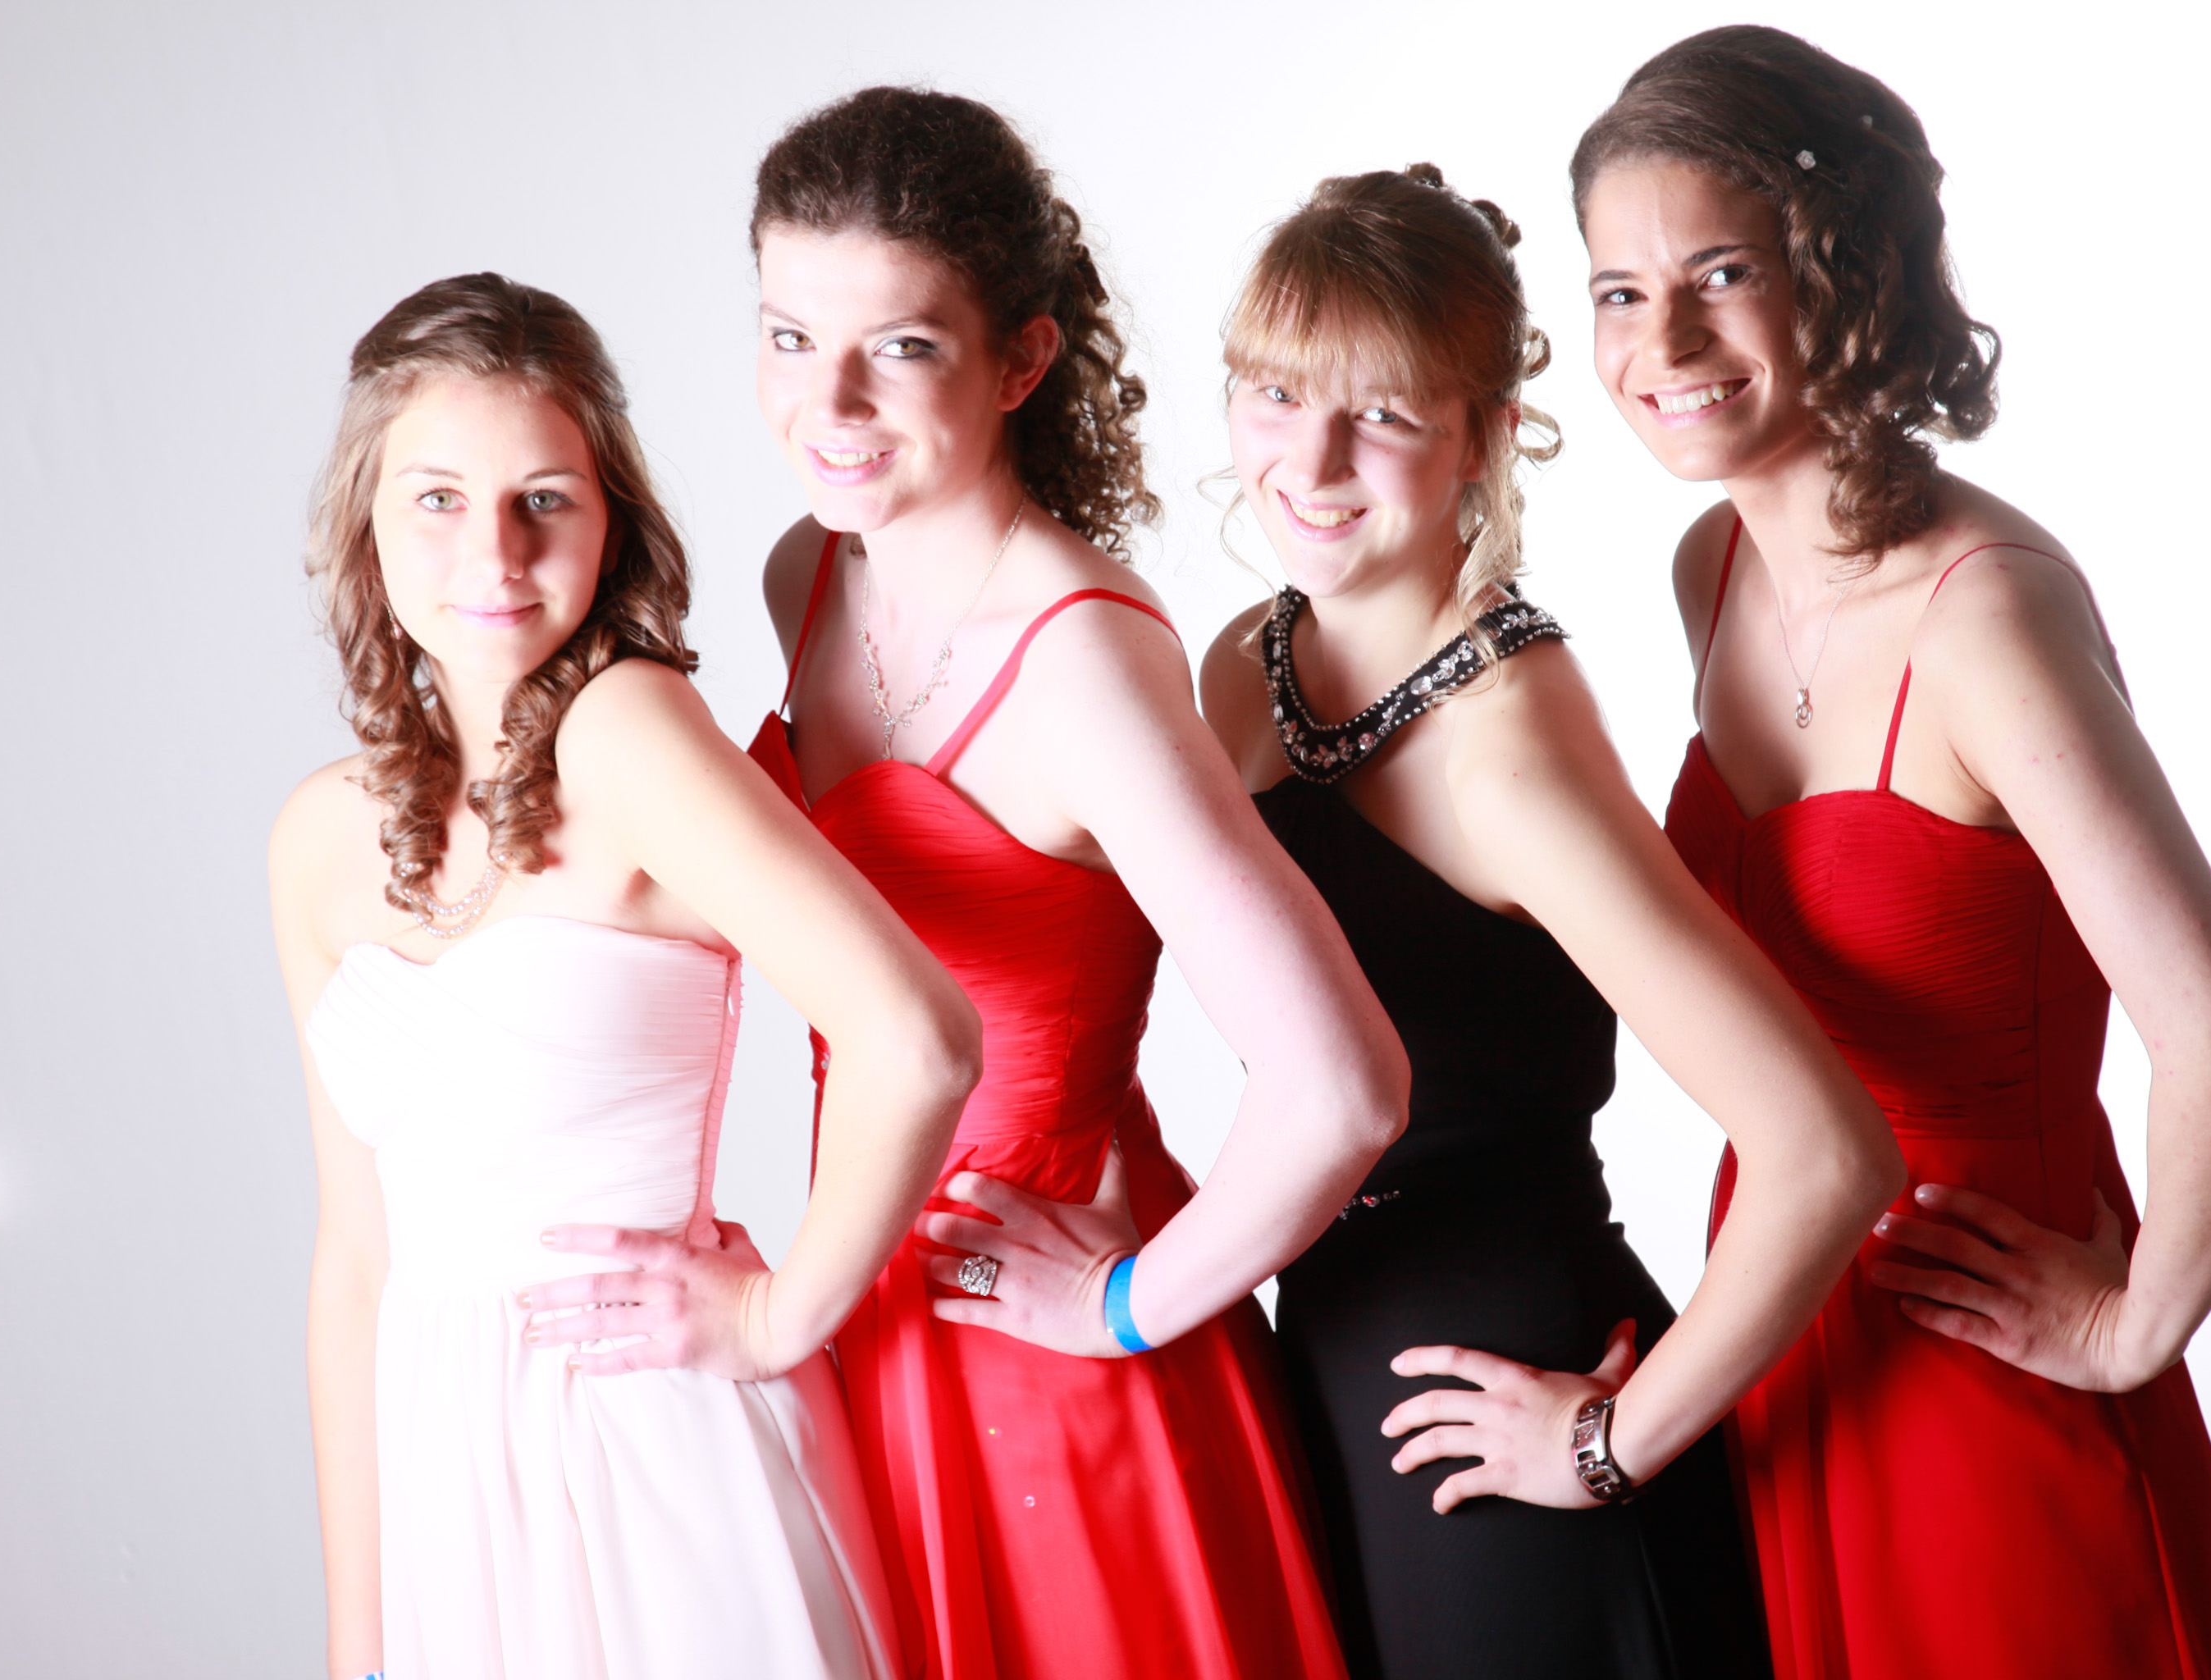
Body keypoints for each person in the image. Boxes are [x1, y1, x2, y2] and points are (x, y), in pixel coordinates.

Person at [545, 89, 1409, 1679]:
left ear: (1022, 360)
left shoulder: (1084, 664)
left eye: (901, 348)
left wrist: (1124, 1307)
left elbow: (1345, 1083)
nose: (829, 403)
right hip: (863, 1303)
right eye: (789, 337)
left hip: (1049, 1367)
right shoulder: (810, 573)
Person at [1563, 26, 2211, 1679]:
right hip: (1787, 1314)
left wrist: (2127, 1330)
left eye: (1721, 273)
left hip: (1981, 1348)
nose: (1662, 342)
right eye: (1619, 290)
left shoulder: (1989, 619)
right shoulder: (1712, 570)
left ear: (1849, 273)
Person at [1193, 163, 1903, 1680]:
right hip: (1329, 1377)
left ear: (1485, 436)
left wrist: (1606, 1448)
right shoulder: (1243, 670)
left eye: (1383, 414)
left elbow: (1829, 1152)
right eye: (1276, 394)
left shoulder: (1508, 757)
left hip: (1509, 1417)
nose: (1311, 461)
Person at [273, 272, 981, 1680]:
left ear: (611, 522)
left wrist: (777, 1317)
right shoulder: (319, 836)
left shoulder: (627, 730)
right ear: (364, 520)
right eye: (436, 499)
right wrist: (360, 1639)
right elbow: (357, 1262)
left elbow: (921, 1039)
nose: (494, 552)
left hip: (643, 1448)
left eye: (543, 499)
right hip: (444, 1489)